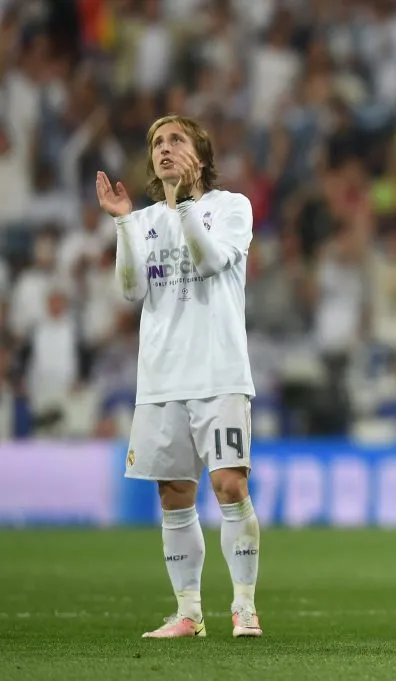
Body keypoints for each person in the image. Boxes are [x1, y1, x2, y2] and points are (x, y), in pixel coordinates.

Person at [97, 114, 261, 639]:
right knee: (174, 495)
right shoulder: (144, 221)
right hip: (162, 377)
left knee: (230, 485)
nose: (164, 149)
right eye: (156, 143)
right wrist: (123, 220)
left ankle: (244, 607)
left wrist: (184, 204)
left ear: (200, 153)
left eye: (175, 140)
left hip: (219, 371)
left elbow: (211, 263)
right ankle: (188, 613)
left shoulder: (231, 207)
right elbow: (130, 290)